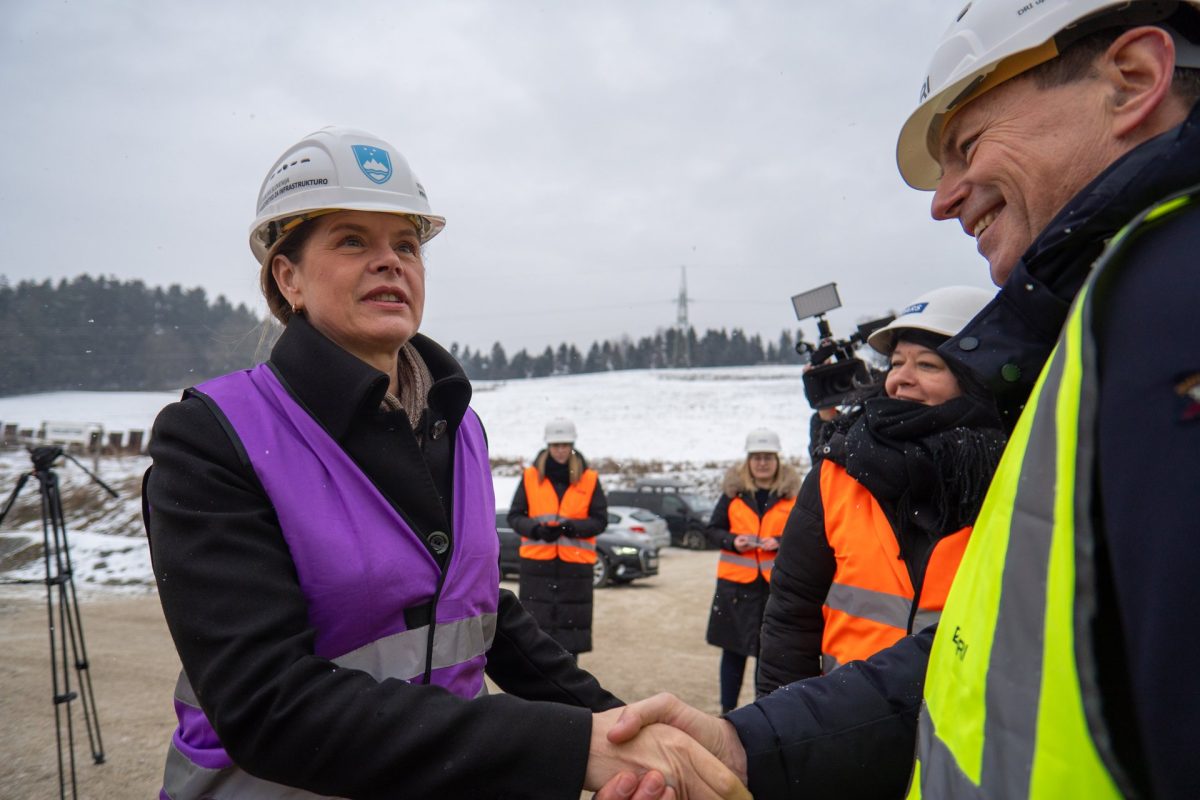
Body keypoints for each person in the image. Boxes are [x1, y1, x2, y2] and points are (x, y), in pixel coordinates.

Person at [598, 1, 1200, 798]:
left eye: (969, 147)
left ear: (1132, 79)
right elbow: (995, 651)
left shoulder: (1166, 318)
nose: (942, 201)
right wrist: (754, 743)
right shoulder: (1101, 340)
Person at [143, 126, 747, 800]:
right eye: (353, 241)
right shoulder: (213, 436)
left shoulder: (458, 428)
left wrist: (623, 728)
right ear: (289, 278)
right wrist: (570, 747)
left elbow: (480, 613)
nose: (390, 262)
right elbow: (268, 704)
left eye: (407, 245)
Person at [757, 286, 1005, 696]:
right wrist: (777, 726)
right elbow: (791, 618)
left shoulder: (1018, 474)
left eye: (927, 364)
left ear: (977, 378)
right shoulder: (838, 472)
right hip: (844, 721)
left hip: (967, 725)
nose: (900, 379)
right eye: (895, 363)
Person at [704, 428, 800, 713]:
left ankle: (761, 714)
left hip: (774, 589)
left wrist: (780, 541)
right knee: (733, 653)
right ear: (748, 461)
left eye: (768, 457)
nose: (762, 463)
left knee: (767, 655)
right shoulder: (733, 495)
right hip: (735, 589)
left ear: (777, 460)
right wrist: (733, 541)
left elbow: (803, 536)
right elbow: (712, 530)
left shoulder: (791, 497)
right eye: (757, 457)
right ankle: (727, 712)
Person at [507, 418, 608, 658]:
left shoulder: (589, 478)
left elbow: (600, 520)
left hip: (575, 571)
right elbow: (515, 516)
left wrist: (571, 528)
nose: (560, 450)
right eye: (555, 445)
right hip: (537, 568)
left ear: (572, 445)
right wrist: (536, 529)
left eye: (564, 445)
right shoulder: (530, 477)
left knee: (569, 643)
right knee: (536, 641)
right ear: (548, 446)